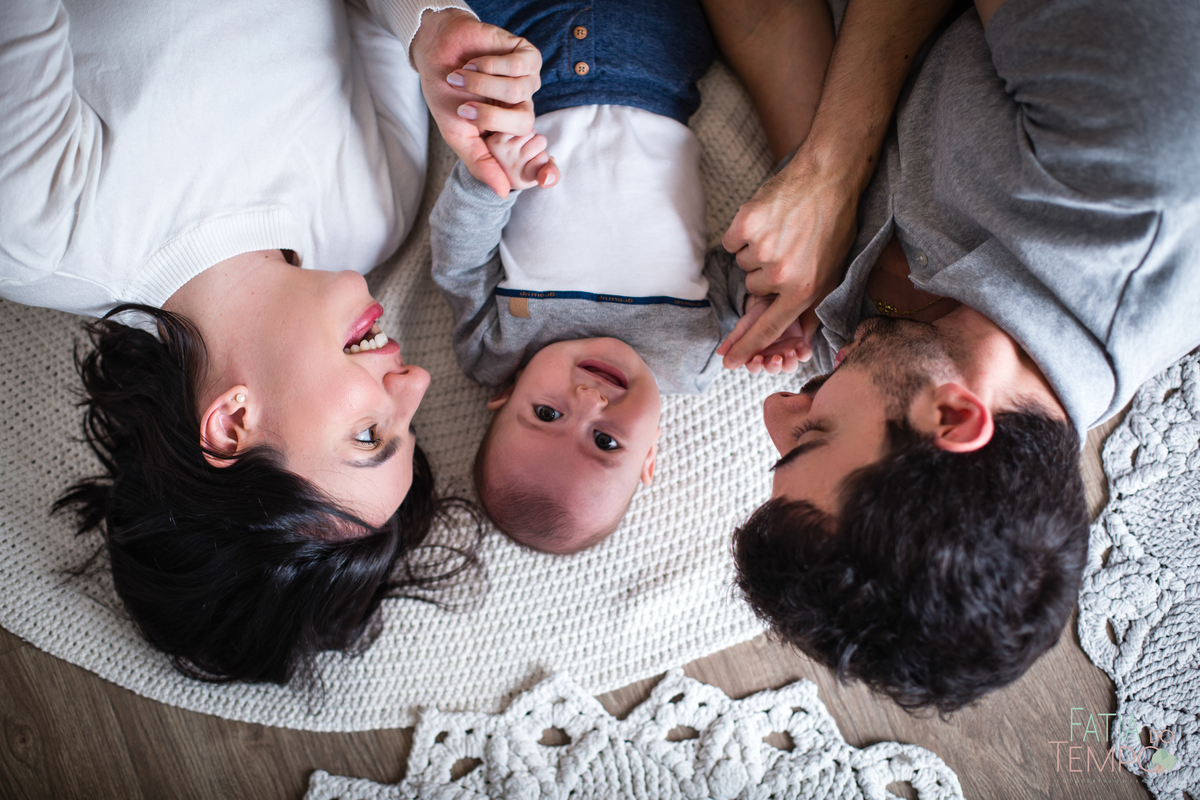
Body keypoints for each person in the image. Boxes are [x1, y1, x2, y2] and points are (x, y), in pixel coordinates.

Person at [0, 0, 543, 684]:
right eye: (408, 428)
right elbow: (376, 17)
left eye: (370, 436)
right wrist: (432, 29)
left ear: (232, 424)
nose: (415, 383)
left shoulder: (39, 227)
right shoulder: (379, 212)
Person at [725, 0, 1200, 713]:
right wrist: (829, 167)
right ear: (952, 414)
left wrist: (815, 191)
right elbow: (830, 169)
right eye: (812, 435)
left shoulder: (884, 345)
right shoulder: (1134, 168)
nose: (779, 405)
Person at [429, 0, 834, 553]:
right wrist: (766, 307)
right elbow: (733, 270)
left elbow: (459, 259)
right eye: (605, 441)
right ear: (650, 455)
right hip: (654, 62)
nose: (588, 398)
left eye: (547, 413)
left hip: (527, 66)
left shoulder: (496, 350)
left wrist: (490, 181)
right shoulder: (691, 358)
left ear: (504, 397)